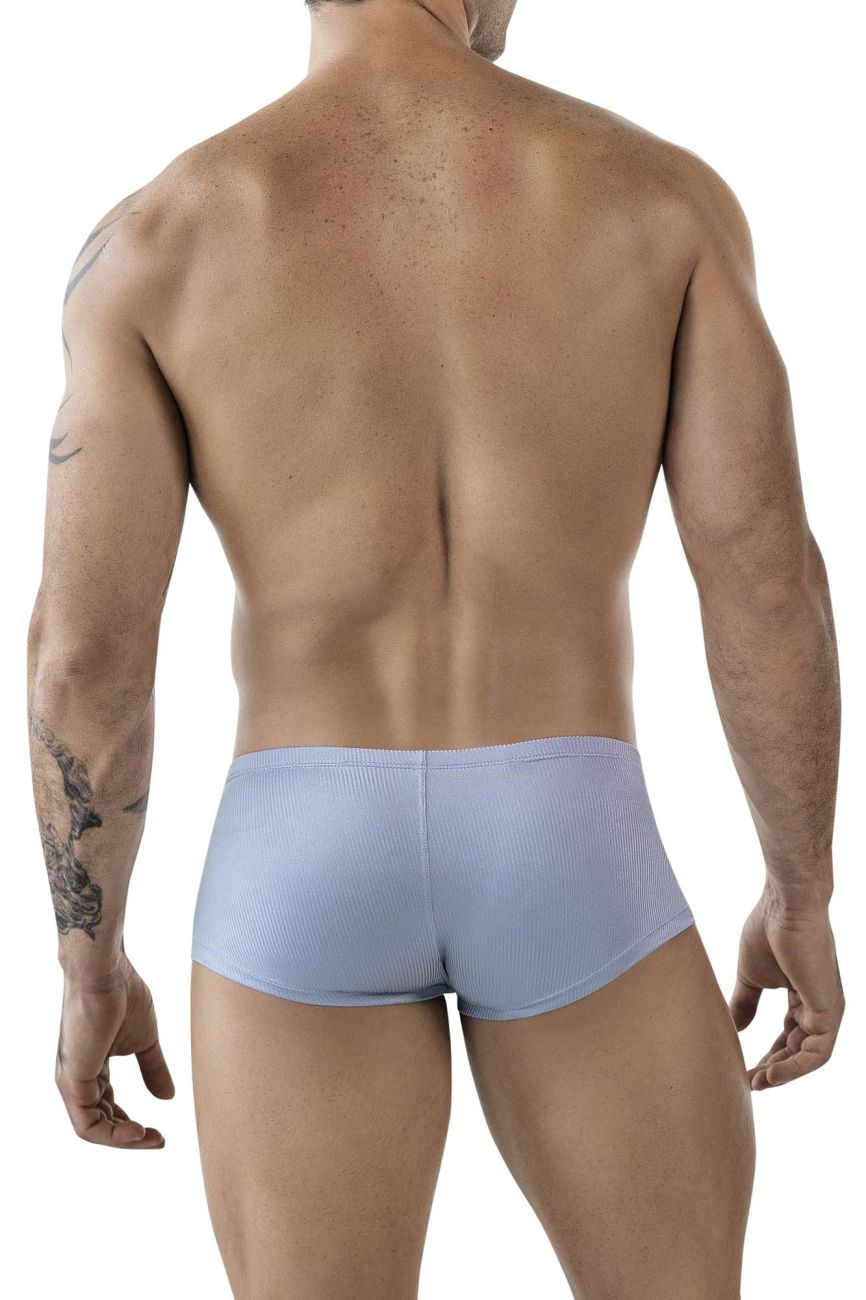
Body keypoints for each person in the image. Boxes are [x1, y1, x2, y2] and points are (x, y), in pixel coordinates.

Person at [27, 1, 844, 1296]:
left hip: (300, 849)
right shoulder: (660, 201)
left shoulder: (157, 239)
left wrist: (88, 958)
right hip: (568, 830)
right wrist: (799, 894)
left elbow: (84, 655)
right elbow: (766, 582)